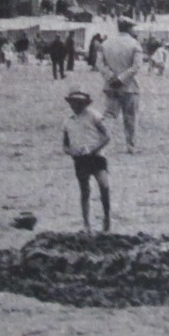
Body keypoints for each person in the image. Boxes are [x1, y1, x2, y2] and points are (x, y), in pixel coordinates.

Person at [62, 91, 111, 233]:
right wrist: (72, 152)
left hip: (96, 156)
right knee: (84, 190)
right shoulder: (68, 121)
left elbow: (107, 136)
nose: (75, 105)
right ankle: (86, 223)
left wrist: (94, 149)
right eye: (73, 102)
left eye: (78, 103)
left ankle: (106, 217)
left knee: (104, 185)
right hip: (80, 158)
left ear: (84, 103)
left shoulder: (94, 115)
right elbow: (65, 145)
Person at [97, 19, 143, 152]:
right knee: (130, 117)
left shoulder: (105, 44)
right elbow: (136, 67)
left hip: (110, 86)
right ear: (129, 29)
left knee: (109, 116)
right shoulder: (135, 44)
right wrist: (121, 78)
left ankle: (102, 145)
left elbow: (99, 64)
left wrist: (111, 77)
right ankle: (131, 146)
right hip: (129, 87)